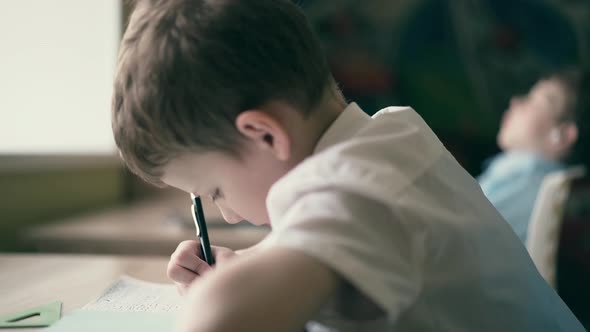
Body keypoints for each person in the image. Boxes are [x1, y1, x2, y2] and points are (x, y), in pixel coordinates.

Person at [111, 1, 584, 331]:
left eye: (214, 190)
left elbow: (222, 321)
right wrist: (247, 266)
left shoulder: (356, 186)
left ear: (265, 134)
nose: (229, 215)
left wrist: (224, 293)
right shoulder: (391, 135)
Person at [478, 70, 587, 243]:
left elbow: (448, 238)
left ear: (563, 136)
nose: (515, 102)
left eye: (533, 101)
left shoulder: (532, 188)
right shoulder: (521, 179)